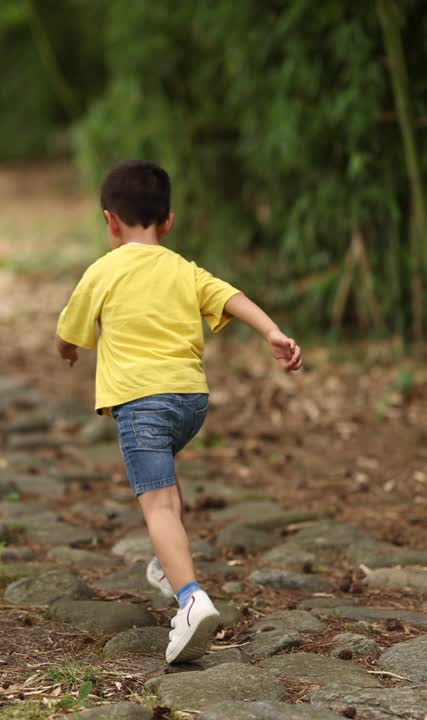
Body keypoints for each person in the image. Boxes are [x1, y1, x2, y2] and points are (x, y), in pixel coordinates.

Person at [55, 160, 302, 664]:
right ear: (168, 222)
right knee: (167, 492)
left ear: (110, 221)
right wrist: (273, 331)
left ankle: (190, 599)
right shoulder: (184, 269)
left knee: (159, 507)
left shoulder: (103, 271)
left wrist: (67, 351)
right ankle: (172, 565)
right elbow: (230, 298)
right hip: (190, 405)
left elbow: (68, 334)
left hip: (141, 404)